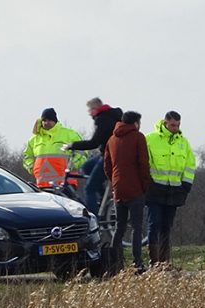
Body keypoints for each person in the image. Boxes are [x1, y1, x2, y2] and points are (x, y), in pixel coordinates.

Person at [145, 110, 195, 268]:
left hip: (174, 190)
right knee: (154, 223)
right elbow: (145, 162)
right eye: (173, 125)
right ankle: (154, 261)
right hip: (155, 189)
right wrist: (148, 183)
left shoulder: (183, 142)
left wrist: (186, 185)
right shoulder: (150, 139)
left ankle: (164, 260)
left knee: (167, 226)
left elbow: (190, 164)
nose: (175, 128)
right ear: (165, 123)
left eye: (178, 125)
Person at [103, 111, 151, 273]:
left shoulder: (111, 139)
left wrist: (115, 182)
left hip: (118, 188)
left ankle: (114, 263)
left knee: (119, 226)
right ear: (135, 123)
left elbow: (107, 166)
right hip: (135, 188)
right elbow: (143, 164)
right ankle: (137, 262)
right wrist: (145, 185)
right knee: (137, 227)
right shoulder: (138, 137)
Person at [63, 97, 123, 216]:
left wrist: (73, 145)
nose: (90, 113)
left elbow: (94, 142)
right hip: (110, 153)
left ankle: (94, 219)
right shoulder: (112, 115)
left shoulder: (103, 119)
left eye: (90, 110)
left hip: (109, 157)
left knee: (89, 189)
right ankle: (103, 198)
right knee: (86, 167)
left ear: (96, 109)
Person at [22, 108, 86, 188]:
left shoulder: (70, 134)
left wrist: (72, 165)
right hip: (42, 185)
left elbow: (82, 152)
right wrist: (32, 168)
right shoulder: (34, 139)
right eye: (44, 120)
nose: (46, 122)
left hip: (67, 184)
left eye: (49, 120)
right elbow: (26, 156)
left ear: (55, 121)